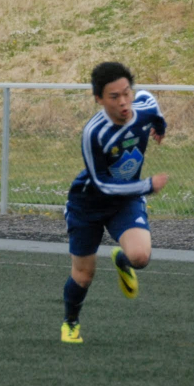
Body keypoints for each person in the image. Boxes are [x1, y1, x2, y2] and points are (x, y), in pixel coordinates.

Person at [61, 61, 168, 344]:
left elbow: (153, 108)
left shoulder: (143, 107)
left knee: (140, 257)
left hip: (125, 200)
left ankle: (122, 259)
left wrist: (161, 127)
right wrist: (147, 186)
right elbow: (102, 184)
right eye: (114, 96)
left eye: (126, 92)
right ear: (98, 99)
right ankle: (70, 322)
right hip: (88, 205)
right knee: (84, 275)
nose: (123, 102)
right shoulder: (94, 133)